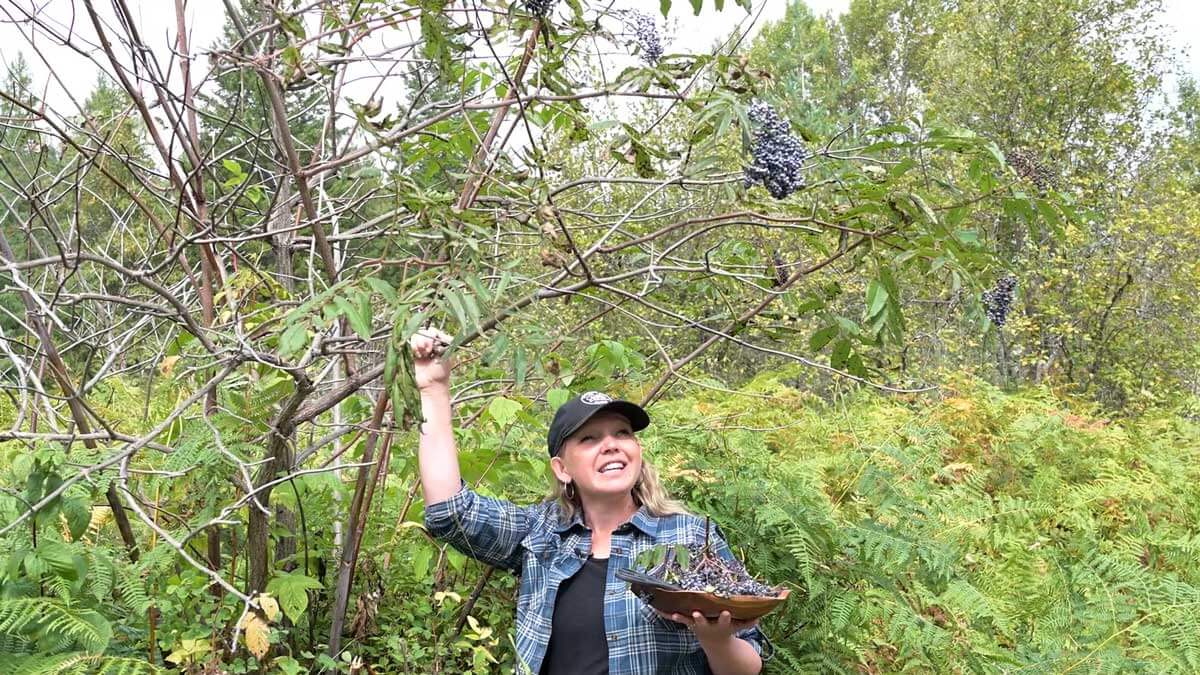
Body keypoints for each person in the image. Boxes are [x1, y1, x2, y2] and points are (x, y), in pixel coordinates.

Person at [411, 328, 768, 675]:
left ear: (637, 450)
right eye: (589, 438)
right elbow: (451, 512)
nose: (610, 445)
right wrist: (433, 388)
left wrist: (716, 641)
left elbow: (749, 664)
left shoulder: (688, 536)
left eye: (622, 433)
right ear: (562, 468)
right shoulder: (540, 534)